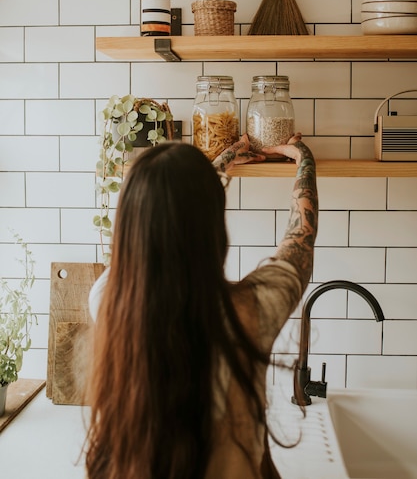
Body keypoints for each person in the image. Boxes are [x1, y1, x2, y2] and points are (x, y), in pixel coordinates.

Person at [85, 132, 318, 479]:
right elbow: (301, 235)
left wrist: (223, 161)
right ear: (214, 231)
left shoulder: (108, 301)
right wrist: (303, 159)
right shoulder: (255, 309)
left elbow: (170, 213)